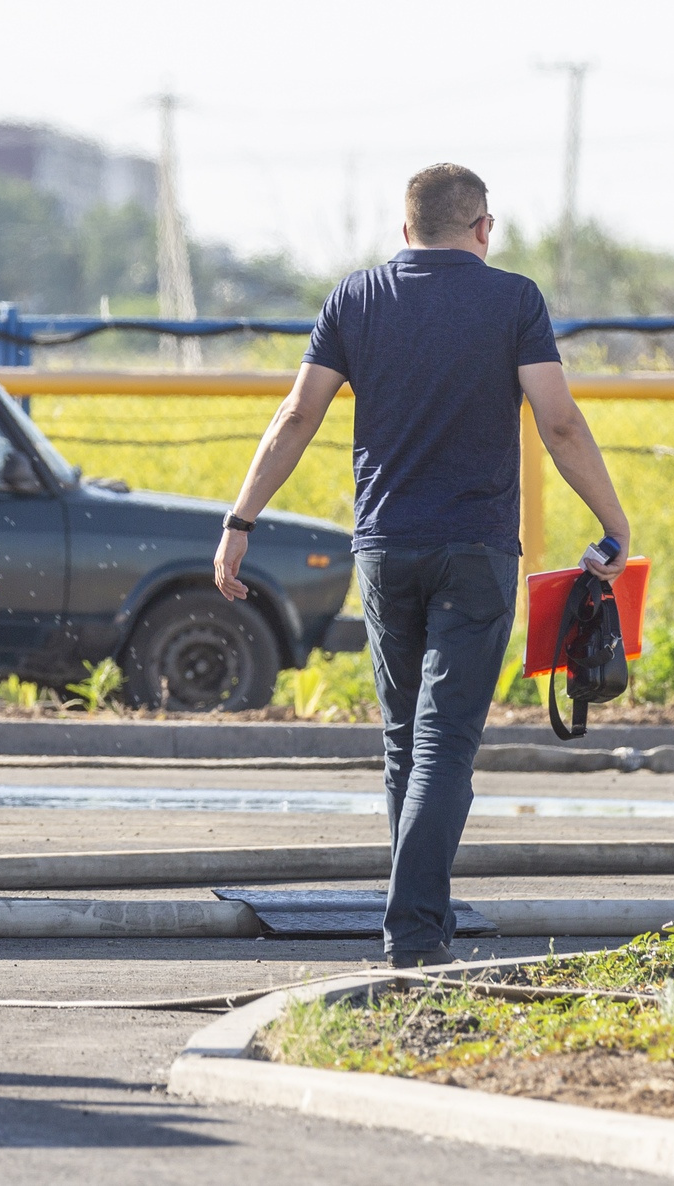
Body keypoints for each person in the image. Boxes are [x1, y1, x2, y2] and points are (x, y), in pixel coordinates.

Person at [216, 163, 632, 968]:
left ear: (405, 231)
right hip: (476, 548)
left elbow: (298, 412)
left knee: (406, 742)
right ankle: (412, 932)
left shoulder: (355, 298)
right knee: (445, 743)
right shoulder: (514, 300)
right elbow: (562, 424)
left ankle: (421, 921)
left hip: (383, 547)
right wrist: (613, 523)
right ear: (484, 228)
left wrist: (241, 519)